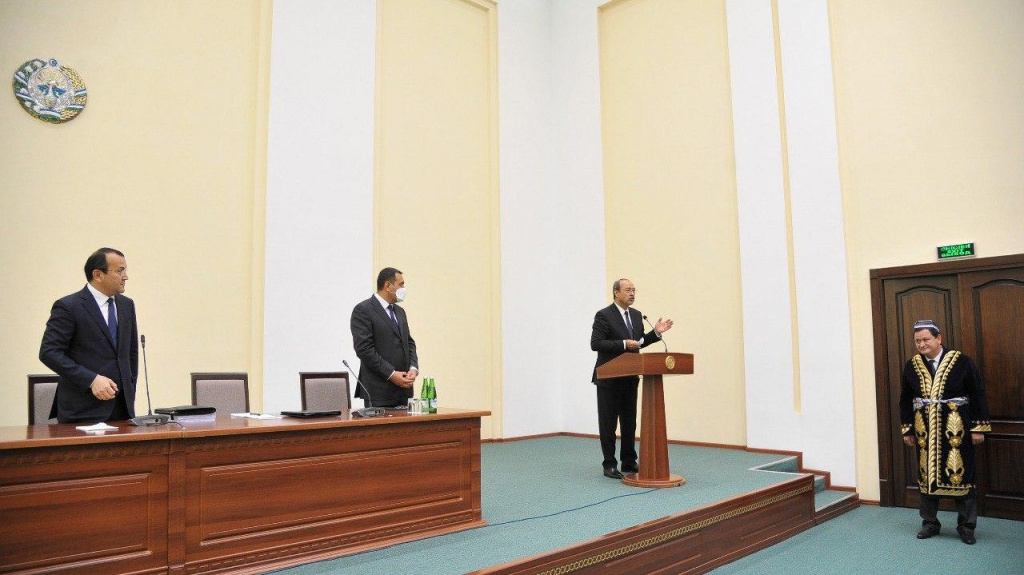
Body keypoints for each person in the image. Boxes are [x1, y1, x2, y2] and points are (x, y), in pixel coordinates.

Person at [900, 319, 990, 544]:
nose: (921, 344)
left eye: (926, 339)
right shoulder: (912, 365)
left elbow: (977, 393)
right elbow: (905, 398)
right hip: (925, 432)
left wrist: (978, 428)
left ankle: (967, 526)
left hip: (956, 429)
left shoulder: (961, 361)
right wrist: (908, 428)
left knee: (962, 476)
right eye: (918, 341)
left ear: (939, 338)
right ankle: (930, 523)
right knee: (927, 477)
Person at [39, 248, 139, 423]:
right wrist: (92, 380)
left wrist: (129, 391)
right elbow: (49, 352)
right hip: (82, 411)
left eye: (125, 270)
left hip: (122, 410)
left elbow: (131, 354)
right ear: (98, 275)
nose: (126, 276)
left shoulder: (126, 305)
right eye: (120, 270)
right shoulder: (69, 306)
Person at [591, 278, 673, 479]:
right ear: (616, 292)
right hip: (608, 378)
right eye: (628, 290)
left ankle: (629, 461)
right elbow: (596, 343)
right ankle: (609, 464)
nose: (632, 293)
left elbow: (638, 343)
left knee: (629, 423)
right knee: (609, 423)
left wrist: (655, 333)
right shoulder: (604, 315)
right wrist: (623, 344)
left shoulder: (636, 316)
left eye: (634, 290)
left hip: (630, 377)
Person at [350, 267, 419, 408]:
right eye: (401, 284)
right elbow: (364, 349)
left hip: (404, 391)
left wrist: (413, 368)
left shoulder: (400, 312)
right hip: (378, 392)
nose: (404, 288)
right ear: (388, 285)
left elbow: (409, 343)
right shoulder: (364, 310)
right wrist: (392, 374)